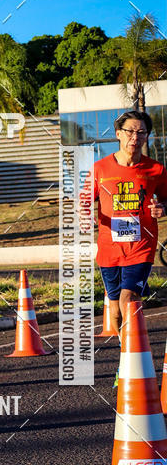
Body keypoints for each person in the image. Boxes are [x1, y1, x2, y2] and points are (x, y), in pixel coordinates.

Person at [93, 110, 167, 348]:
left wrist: (162, 208)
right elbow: (83, 201)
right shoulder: (100, 169)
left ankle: (133, 358)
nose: (135, 137)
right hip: (108, 249)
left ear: (146, 137)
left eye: (141, 132)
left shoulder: (156, 169)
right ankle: (126, 357)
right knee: (114, 307)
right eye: (130, 131)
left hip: (141, 247)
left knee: (129, 299)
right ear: (118, 134)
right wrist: (85, 214)